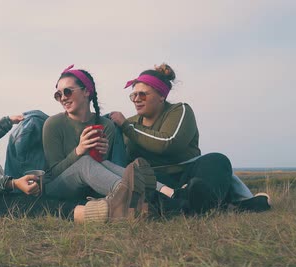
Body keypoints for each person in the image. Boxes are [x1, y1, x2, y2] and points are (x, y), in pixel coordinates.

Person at [0, 71, 143, 223]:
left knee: (28, 200)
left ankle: (133, 200)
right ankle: (103, 213)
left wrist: (6, 123)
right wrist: (11, 182)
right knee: (22, 204)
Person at [109, 63, 270, 213]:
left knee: (217, 160)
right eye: (133, 95)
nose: (136, 99)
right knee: (141, 178)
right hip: (157, 180)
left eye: (142, 95)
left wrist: (127, 127)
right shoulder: (129, 124)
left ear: (161, 96)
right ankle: (211, 205)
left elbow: (168, 143)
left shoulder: (180, 111)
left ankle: (183, 202)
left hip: (188, 174)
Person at [43, 64, 163, 219]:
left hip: (91, 187)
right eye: (58, 95)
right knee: (85, 161)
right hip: (58, 187)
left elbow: (99, 171)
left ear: (86, 91)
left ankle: (169, 194)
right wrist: (79, 151)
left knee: (105, 164)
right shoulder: (53, 124)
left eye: (67, 91)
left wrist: (101, 155)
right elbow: (53, 173)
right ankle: (129, 194)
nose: (63, 98)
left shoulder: (106, 126)